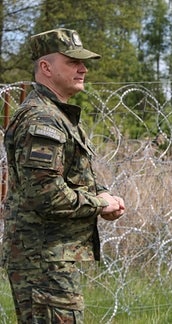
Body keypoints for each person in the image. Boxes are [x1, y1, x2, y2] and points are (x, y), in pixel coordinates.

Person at [1, 28, 126, 323]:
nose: (83, 68)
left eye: (82, 62)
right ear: (46, 67)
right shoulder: (42, 118)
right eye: (72, 62)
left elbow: (73, 174)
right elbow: (46, 194)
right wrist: (98, 204)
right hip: (41, 258)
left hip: (50, 257)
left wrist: (102, 191)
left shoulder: (58, 114)